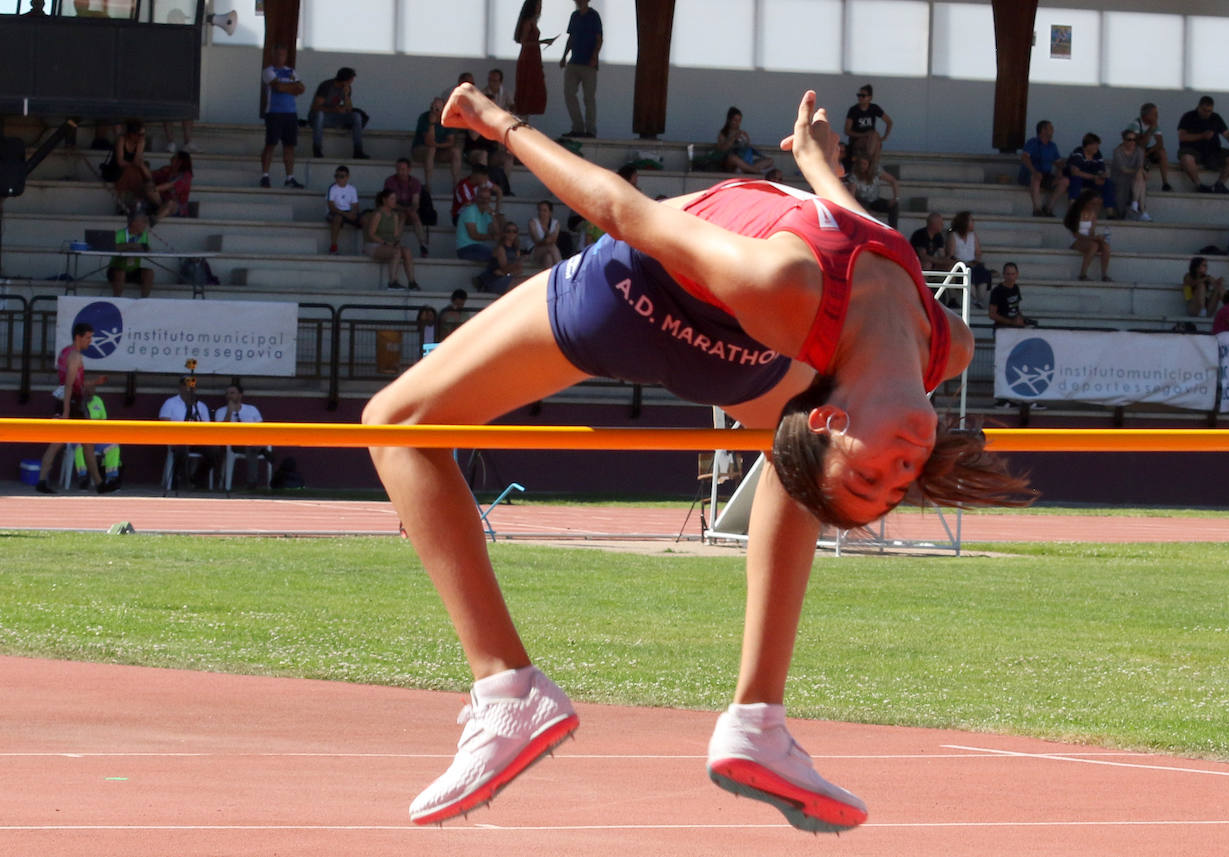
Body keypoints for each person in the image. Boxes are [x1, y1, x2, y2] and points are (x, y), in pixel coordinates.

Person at [363, 84, 1029, 835]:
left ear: (833, 420)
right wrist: (819, 166)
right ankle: (756, 723)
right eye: (898, 481)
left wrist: (500, 125)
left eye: (868, 476)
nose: (902, 466)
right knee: (787, 448)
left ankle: (507, 686)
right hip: (721, 342)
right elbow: (872, 239)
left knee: (392, 420)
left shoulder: (790, 289)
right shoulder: (946, 342)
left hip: (627, 298)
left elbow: (624, 214)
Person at [34, 322, 115, 494]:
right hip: (73, 404)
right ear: (78, 337)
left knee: (75, 444)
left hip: (68, 401)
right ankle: (100, 484)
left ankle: (42, 481)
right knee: (81, 444)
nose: (90, 341)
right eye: (88, 337)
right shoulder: (75, 357)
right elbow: (70, 385)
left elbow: (74, 383)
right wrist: (66, 413)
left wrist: (95, 382)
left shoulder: (65, 352)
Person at [1176, 95, 1229, 194]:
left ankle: (1219, 184)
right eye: (1204, 110)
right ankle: (1199, 185)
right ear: (1198, 107)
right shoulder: (1188, 116)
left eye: (1209, 111)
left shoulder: (1215, 118)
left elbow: (1228, 135)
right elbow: (1182, 137)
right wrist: (1202, 136)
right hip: (1192, 150)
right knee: (1186, 158)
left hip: (1213, 152)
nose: (1207, 113)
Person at [260, 44, 306, 190]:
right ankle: (265, 175)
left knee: (289, 146)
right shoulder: (268, 71)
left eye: (283, 55)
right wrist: (292, 87)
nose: (281, 57)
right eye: (278, 54)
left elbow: (301, 89)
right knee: (271, 144)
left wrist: (287, 87)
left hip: (290, 113)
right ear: (273, 55)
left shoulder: (291, 71)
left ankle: (290, 177)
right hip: (274, 112)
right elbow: (277, 87)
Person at [158, 375, 214, 490]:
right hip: (177, 439)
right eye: (186, 386)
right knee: (181, 448)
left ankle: (196, 479)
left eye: (192, 387)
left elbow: (207, 427)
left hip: (197, 440)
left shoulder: (201, 406)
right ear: (181, 387)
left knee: (214, 450)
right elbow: (164, 424)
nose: (189, 389)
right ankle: (179, 479)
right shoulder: (170, 403)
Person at [214, 380, 267, 490]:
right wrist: (229, 412)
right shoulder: (220, 411)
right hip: (233, 443)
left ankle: (252, 482)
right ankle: (263, 453)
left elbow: (261, 428)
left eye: (232, 393)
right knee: (252, 448)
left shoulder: (251, 409)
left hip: (252, 441)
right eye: (227, 393)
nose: (229, 396)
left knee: (251, 447)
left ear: (240, 395)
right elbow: (220, 431)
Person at [559, 0, 601, 138]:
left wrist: (594, 56)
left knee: (589, 98)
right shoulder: (574, 16)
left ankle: (590, 130)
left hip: (589, 64)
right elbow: (571, 37)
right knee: (569, 93)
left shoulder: (594, 16)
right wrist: (564, 56)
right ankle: (577, 127)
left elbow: (599, 38)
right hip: (574, 61)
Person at [72, 376, 122, 492]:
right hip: (79, 435)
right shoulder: (77, 401)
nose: (90, 391)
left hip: (96, 435)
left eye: (93, 388)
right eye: (87, 388)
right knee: (81, 447)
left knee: (113, 446)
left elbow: (104, 420)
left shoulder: (98, 401)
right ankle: (83, 477)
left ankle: (111, 478)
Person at [366, 189, 420, 291]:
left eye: (395, 199)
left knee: (406, 251)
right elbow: (371, 234)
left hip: (388, 245)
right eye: (392, 198)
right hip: (375, 245)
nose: (395, 201)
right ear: (384, 200)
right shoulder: (378, 214)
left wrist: (396, 242)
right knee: (396, 252)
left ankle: (412, 282)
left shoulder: (395, 215)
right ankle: (392, 282)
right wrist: (385, 242)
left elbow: (395, 235)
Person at [311, 67, 368, 160]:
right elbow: (316, 108)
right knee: (320, 115)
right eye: (351, 80)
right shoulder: (327, 86)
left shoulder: (347, 88)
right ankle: (317, 149)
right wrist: (334, 110)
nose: (351, 82)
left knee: (356, 116)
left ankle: (358, 151)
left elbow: (349, 109)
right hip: (318, 118)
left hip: (333, 117)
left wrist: (346, 96)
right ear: (344, 80)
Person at [1019, 120, 1069, 217]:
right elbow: (1025, 157)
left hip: (1045, 176)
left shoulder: (1052, 146)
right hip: (1029, 175)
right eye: (1051, 128)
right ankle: (1037, 209)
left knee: (1065, 181)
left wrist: (1065, 168)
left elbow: (1058, 162)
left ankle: (1048, 208)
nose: (1053, 130)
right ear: (1043, 130)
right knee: (1036, 177)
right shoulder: (1032, 142)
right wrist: (1034, 171)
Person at [108, 120, 160, 214]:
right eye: (140, 134)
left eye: (143, 134)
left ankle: (137, 203)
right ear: (132, 134)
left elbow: (137, 160)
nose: (142, 137)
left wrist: (140, 165)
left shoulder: (141, 141)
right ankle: (131, 202)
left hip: (132, 169)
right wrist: (136, 165)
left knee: (141, 171)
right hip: (117, 169)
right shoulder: (122, 140)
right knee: (132, 171)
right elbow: (120, 161)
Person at [514, 1, 555, 118]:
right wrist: (543, 41)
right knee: (527, 90)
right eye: (538, 5)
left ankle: (526, 120)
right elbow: (524, 42)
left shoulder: (533, 22)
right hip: (528, 59)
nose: (540, 7)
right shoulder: (528, 23)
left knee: (533, 90)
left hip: (534, 58)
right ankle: (523, 120)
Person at [385, 158, 431, 259]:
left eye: (403, 169)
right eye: (398, 169)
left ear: (409, 169)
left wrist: (410, 209)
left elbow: (415, 203)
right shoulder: (390, 181)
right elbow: (390, 203)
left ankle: (423, 245)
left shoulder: (415, 182)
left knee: (413, 214)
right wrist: (404, 209)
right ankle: (395, 243)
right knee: (402, 215)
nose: (400, 172)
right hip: (394, 212)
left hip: (409, 211)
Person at [412, 96, 461, 190]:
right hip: (421, 150)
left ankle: (456, 185)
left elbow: (451, 142)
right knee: (431, 149)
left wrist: (438, 145)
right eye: (432, 108)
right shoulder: (424, 117)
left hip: (438, 150)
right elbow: (428, 142)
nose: (433, 111)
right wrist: (431, 124)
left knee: (456, 151)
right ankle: (427, 184)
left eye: (437, 109)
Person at [1124, 102, 1173, 192]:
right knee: (1141, 150)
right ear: (1146, 115)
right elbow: (1140, 144)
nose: (1157, 116)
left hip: (1145, 151)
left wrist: (1148, 153)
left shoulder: (1154, 124)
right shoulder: (1136, 124)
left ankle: (1165, 183)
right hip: (1134, 151)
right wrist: (1150, 130)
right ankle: (1139, 181)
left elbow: (1160, 143)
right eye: (1155, 114)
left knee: (1162, 152)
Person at [1064, 189, 1111, 282]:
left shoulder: (1093, 214)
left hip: (1088, 239)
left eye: (1096, 204)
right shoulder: (1075, 212)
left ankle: (1104, 275)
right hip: (1075, 240)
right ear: (1085, 202)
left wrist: (1098, 238)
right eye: (1092, 203)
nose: (1094, 206)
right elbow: (1075, 234)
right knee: (1093, 246)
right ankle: (1082, 274)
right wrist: (1093, 239)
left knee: (1106, 246)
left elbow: (1091, 231)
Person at [947, 211, 990, 307]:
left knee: (982, 272)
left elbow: (978, 252)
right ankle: (974, 299)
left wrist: (976, 260)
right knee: (968, 273)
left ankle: (979, 299)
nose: (973, 223)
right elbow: (951, 255)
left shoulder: (973, 235)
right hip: (960, 265)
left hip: (973, 263)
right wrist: (963, 263)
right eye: (971, 220)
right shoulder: (953, 236)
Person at [108, 209, 153, 298]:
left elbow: (146, 249)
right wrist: (133, 245)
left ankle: (144, 301)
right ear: (133, 223)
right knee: (120, 272)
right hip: (116, 268)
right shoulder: (120, 234)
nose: (145, 225)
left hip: (133, 269)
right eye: (143, 222)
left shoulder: (143, 235)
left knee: (149, 272)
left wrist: (139, 248)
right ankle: (117, 300)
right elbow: (113, 248)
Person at [1065, 133, 1114, 215]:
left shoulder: (1097, 154)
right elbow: (1075, 172)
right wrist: (1094, 177)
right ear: (1088, 145)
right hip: (1079, 179)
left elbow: (1101, 170)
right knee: (1076, 180)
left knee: (1107, 183)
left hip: (1091, 180)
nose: (1097, 147)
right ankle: (1072, 211)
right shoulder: (1078, 152)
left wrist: (1102, 176)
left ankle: (1110, 214)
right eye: (1095, 145)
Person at [845, 154, 899, 228]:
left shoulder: (876, 171)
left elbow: (893, 181)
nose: (862, 166)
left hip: (875, 200)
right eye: (860, 163)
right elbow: (852, 195)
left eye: (864, 164)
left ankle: (893, 229)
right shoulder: (854, 176)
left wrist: (895, 197)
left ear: (869, 165)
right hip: (862, 201)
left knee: (894, 206)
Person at [716, 107, 774, 175]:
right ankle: (756, 171)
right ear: (729, 120)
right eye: (735, 120)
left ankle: (745, 170)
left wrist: (745, 141)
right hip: (730, 163)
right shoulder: (723, 133)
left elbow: (748, 148)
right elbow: (722, 150)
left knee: (770, 160)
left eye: (739, 120)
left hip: (744, 161)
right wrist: (733, 138)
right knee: (732, 158)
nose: (737, 123)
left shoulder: (742, 133)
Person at [844, 84, 892, 165]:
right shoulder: (853, 110)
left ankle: (869, 165)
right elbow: (847, 131)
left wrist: (884, 137)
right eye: (859, 95)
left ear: (870, 97)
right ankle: (871, 165)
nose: (860, 98)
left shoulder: (874, 108)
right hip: (857, 141)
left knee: (876, 140)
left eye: (863, 96)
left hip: (871, 140)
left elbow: (889, 122)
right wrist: (864, 134)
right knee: (875, 138)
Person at [456, 185, 503, 266]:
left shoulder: (487, 212)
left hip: (478, 247)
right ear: (476, 198)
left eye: (487, 198)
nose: (484, 201)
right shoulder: (470, 211)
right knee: (498, 254)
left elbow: (496, 231)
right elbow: (474, 235)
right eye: (481, 198)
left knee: (502, 255)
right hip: (466, 249)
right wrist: (491, 237)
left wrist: (492, 214)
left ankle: (484, 278)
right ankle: (485, 278)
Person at [1110, 129, 1150, 221]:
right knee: (1140, 179)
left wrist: (1142, 171)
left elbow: (1140, 166)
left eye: (1134, 139)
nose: (1132, 142)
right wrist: (1140, 171)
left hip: (1134, 178)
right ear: (1124, 140)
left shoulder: (1139, 150)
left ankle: (1136, 204)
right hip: (1120, 178)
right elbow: (1123, 169)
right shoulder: (1117, 151)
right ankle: (1142, 210)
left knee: (1140, 178)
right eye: (1129, 139)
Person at [477, 221, 525, 294]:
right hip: (495, 280)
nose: (511, 233)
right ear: (504, 233)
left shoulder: (516, 250)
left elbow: (518, 270)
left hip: (507, 278)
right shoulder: (500, 249)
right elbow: (504, 269)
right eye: (508, 231)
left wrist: (514, 268)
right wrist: (515, 265)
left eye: (514, 231)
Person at [326, 165, 362, 255]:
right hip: (335, 212)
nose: (338, 179)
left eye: (341, 176)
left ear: (347, 177)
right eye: (336, 176)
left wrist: (354, 213)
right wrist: (346, 214)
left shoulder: (352, 189)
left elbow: (355, 205)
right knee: (337, 218)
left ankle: (365, 248)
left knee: (365, 219)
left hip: (347, 212)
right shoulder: (332, 188)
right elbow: (331, 207)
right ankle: (333, 247)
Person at [988, 262, 1035, 329]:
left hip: (1015, 327)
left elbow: (1016, 308)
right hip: (1001, 328)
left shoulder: (1016, 288)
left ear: (1017, 274)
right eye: (1008, 274)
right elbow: (992, 315)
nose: (1010, 277)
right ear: (1004, 275)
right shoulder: (997, 291)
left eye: (1013, 274)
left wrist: (1021, 319)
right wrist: (1011, 322)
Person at [150, 151, 193, 220]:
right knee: (148, 186)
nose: (170, 159)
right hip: (161, 202)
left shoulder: (186, 175)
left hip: (177, 207)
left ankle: (152, 222)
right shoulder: (167, 170)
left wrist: (154, 189)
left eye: (174, 158)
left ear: (180, 162)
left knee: (170, 203)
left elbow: (169, 185)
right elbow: (151, 176)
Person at [527, 199, 563, 270]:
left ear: (550, 212)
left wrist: (547, 232)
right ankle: (561, 270)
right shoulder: (533, 222)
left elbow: (554, 240)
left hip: (547, 252)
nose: (541, 213)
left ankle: (550, 279)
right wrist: (547, 240)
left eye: (544, 210)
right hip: (534, 251)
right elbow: (537, 241)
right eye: (540, 210)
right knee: (551, 247)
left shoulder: (555, 223)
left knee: (548, 258)